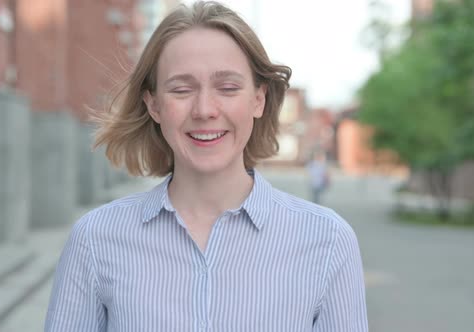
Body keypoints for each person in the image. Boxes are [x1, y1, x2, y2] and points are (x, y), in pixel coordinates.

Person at [45, 1, 368, 331]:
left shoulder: (328, 241)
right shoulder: (96, 240)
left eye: (227, 87)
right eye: (182, 89)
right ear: (153, 104)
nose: (204, 109)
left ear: (259, 99)